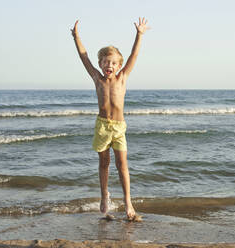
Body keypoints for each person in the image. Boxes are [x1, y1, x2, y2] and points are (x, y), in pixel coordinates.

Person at [71, 17, 149, 220]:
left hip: (119, 127)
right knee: (104, 163)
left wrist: (139, 34)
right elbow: (84, 56)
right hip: (102, 127)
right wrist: (76, 36)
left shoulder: (123, 78)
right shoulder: (97, 78)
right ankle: (104, 195)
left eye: (114, 63)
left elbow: (134, 54)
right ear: (100, 63)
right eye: (106, 62)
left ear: (119, 65)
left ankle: (128, 202)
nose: (109, 65)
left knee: (122, 164)